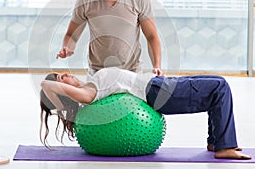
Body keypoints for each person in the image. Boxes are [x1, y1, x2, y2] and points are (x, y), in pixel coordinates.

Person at [40, 67, 251, 160]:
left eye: (60, 74)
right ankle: (224, 147)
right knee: (219, 86)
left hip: (157, 85)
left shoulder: (89, 83)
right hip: (156, 92)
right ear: (65, 92)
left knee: (216, 82)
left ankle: (216, 141)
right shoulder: (87, 93)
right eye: (61, 79)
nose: (65, 74)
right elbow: (49, 86)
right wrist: (49, 85)